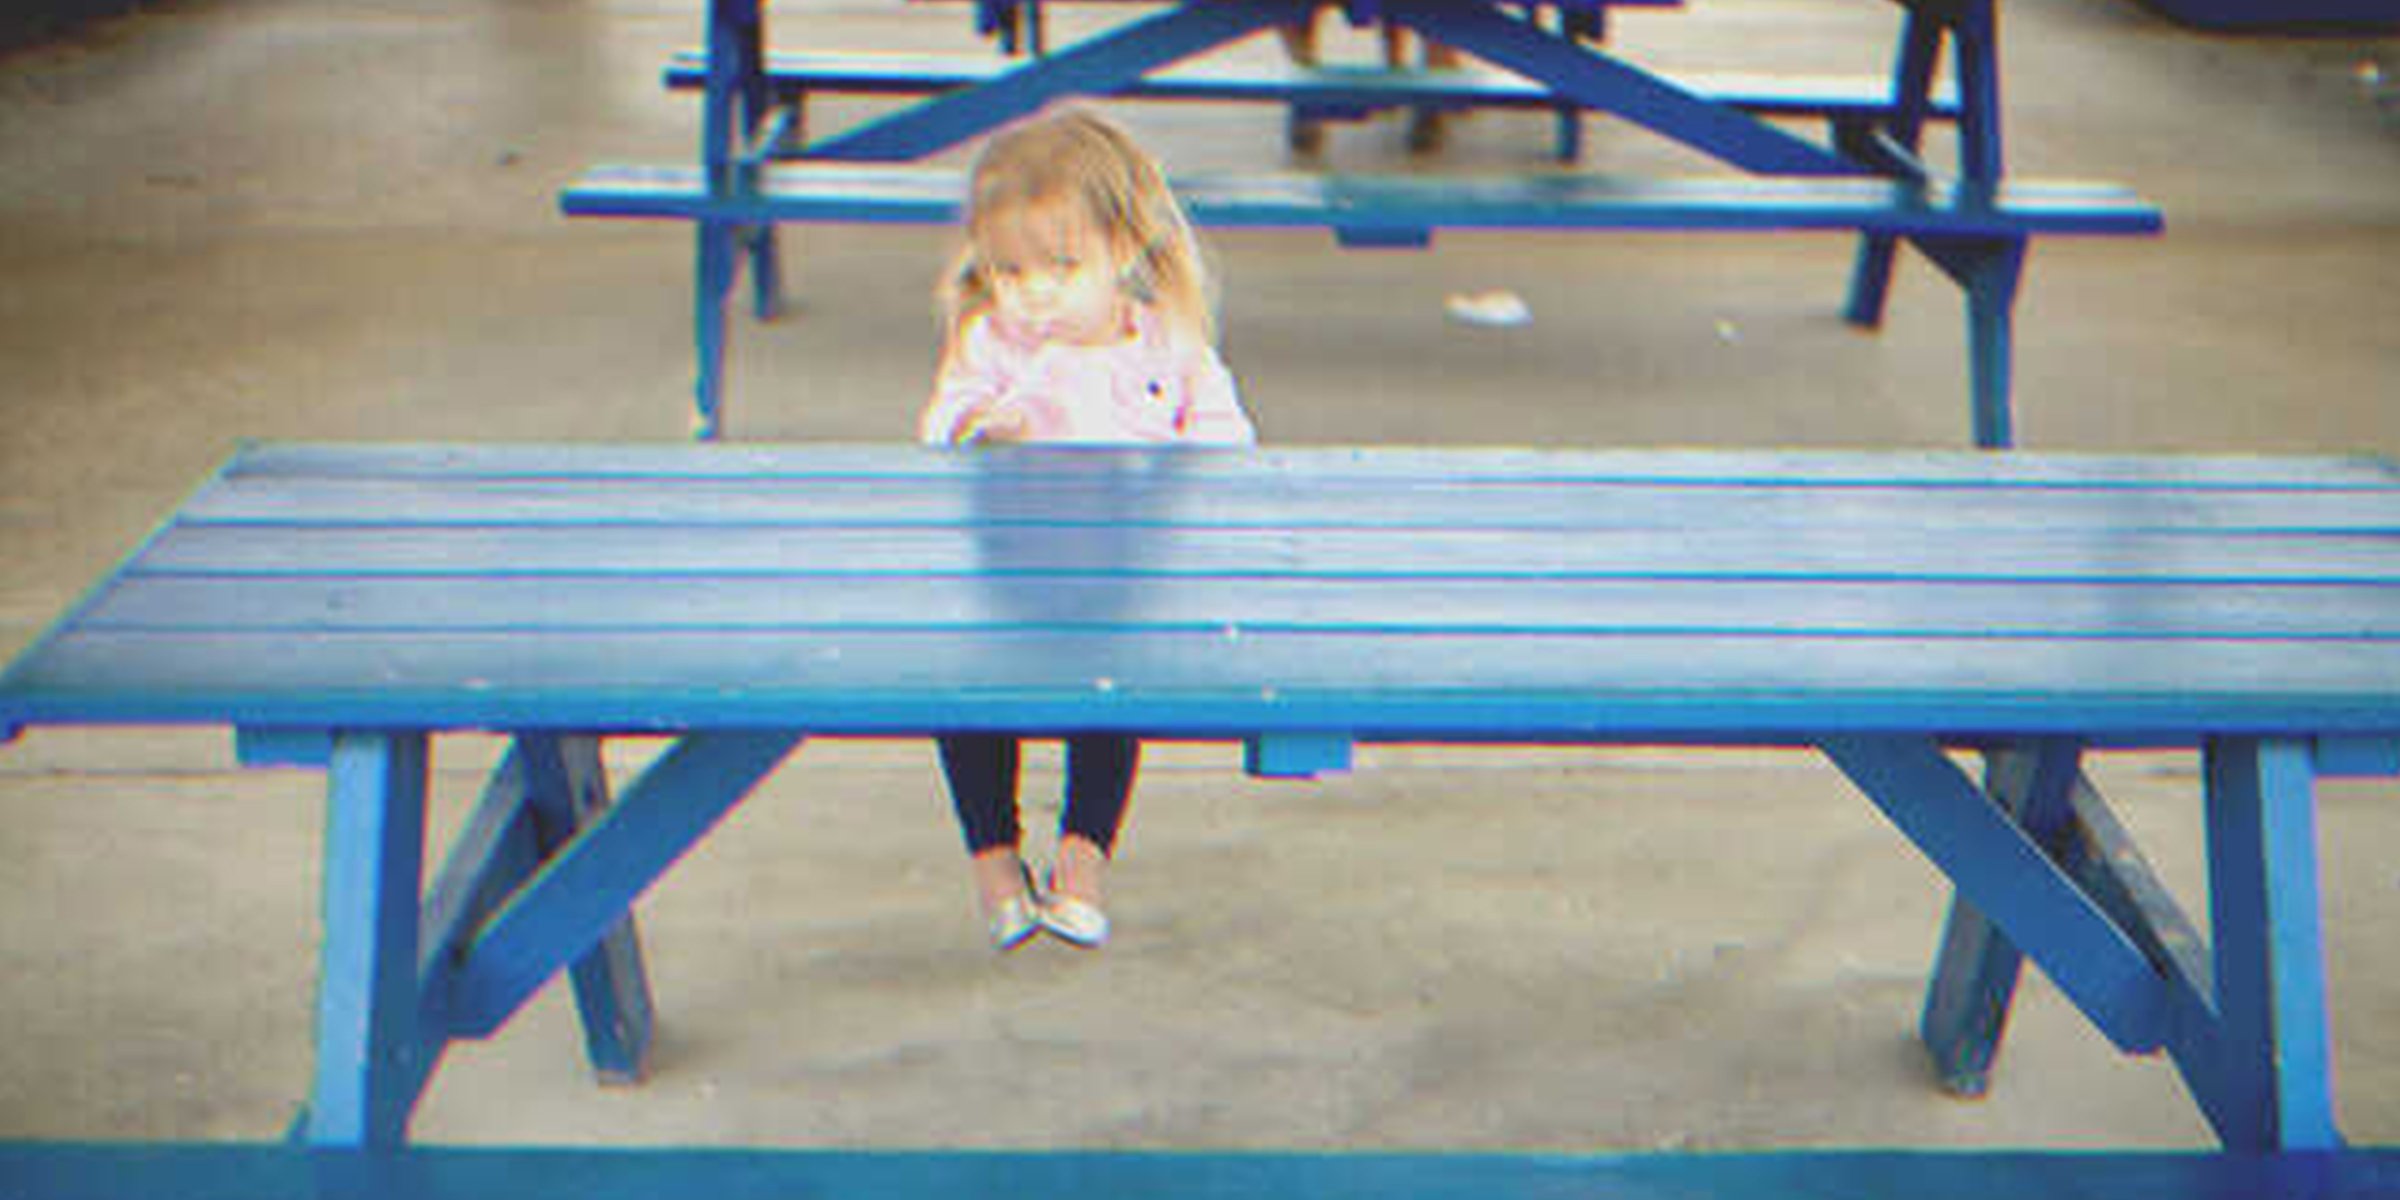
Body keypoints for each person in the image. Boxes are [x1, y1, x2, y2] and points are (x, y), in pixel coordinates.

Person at [919, 108, 1258, 951]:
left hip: (1120, 576)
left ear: (1126, 249)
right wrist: (981, 430)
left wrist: (1178, 467)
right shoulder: (991, 345)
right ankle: (996, 864)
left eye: (1062, 267)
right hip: (1008, 576)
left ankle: (1082, 860)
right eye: (1009, 270)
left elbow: (1228, 444)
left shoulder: (1168, 349)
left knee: (1112, 697)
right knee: (962, 696)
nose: (1034, 292)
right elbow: (940, 428)